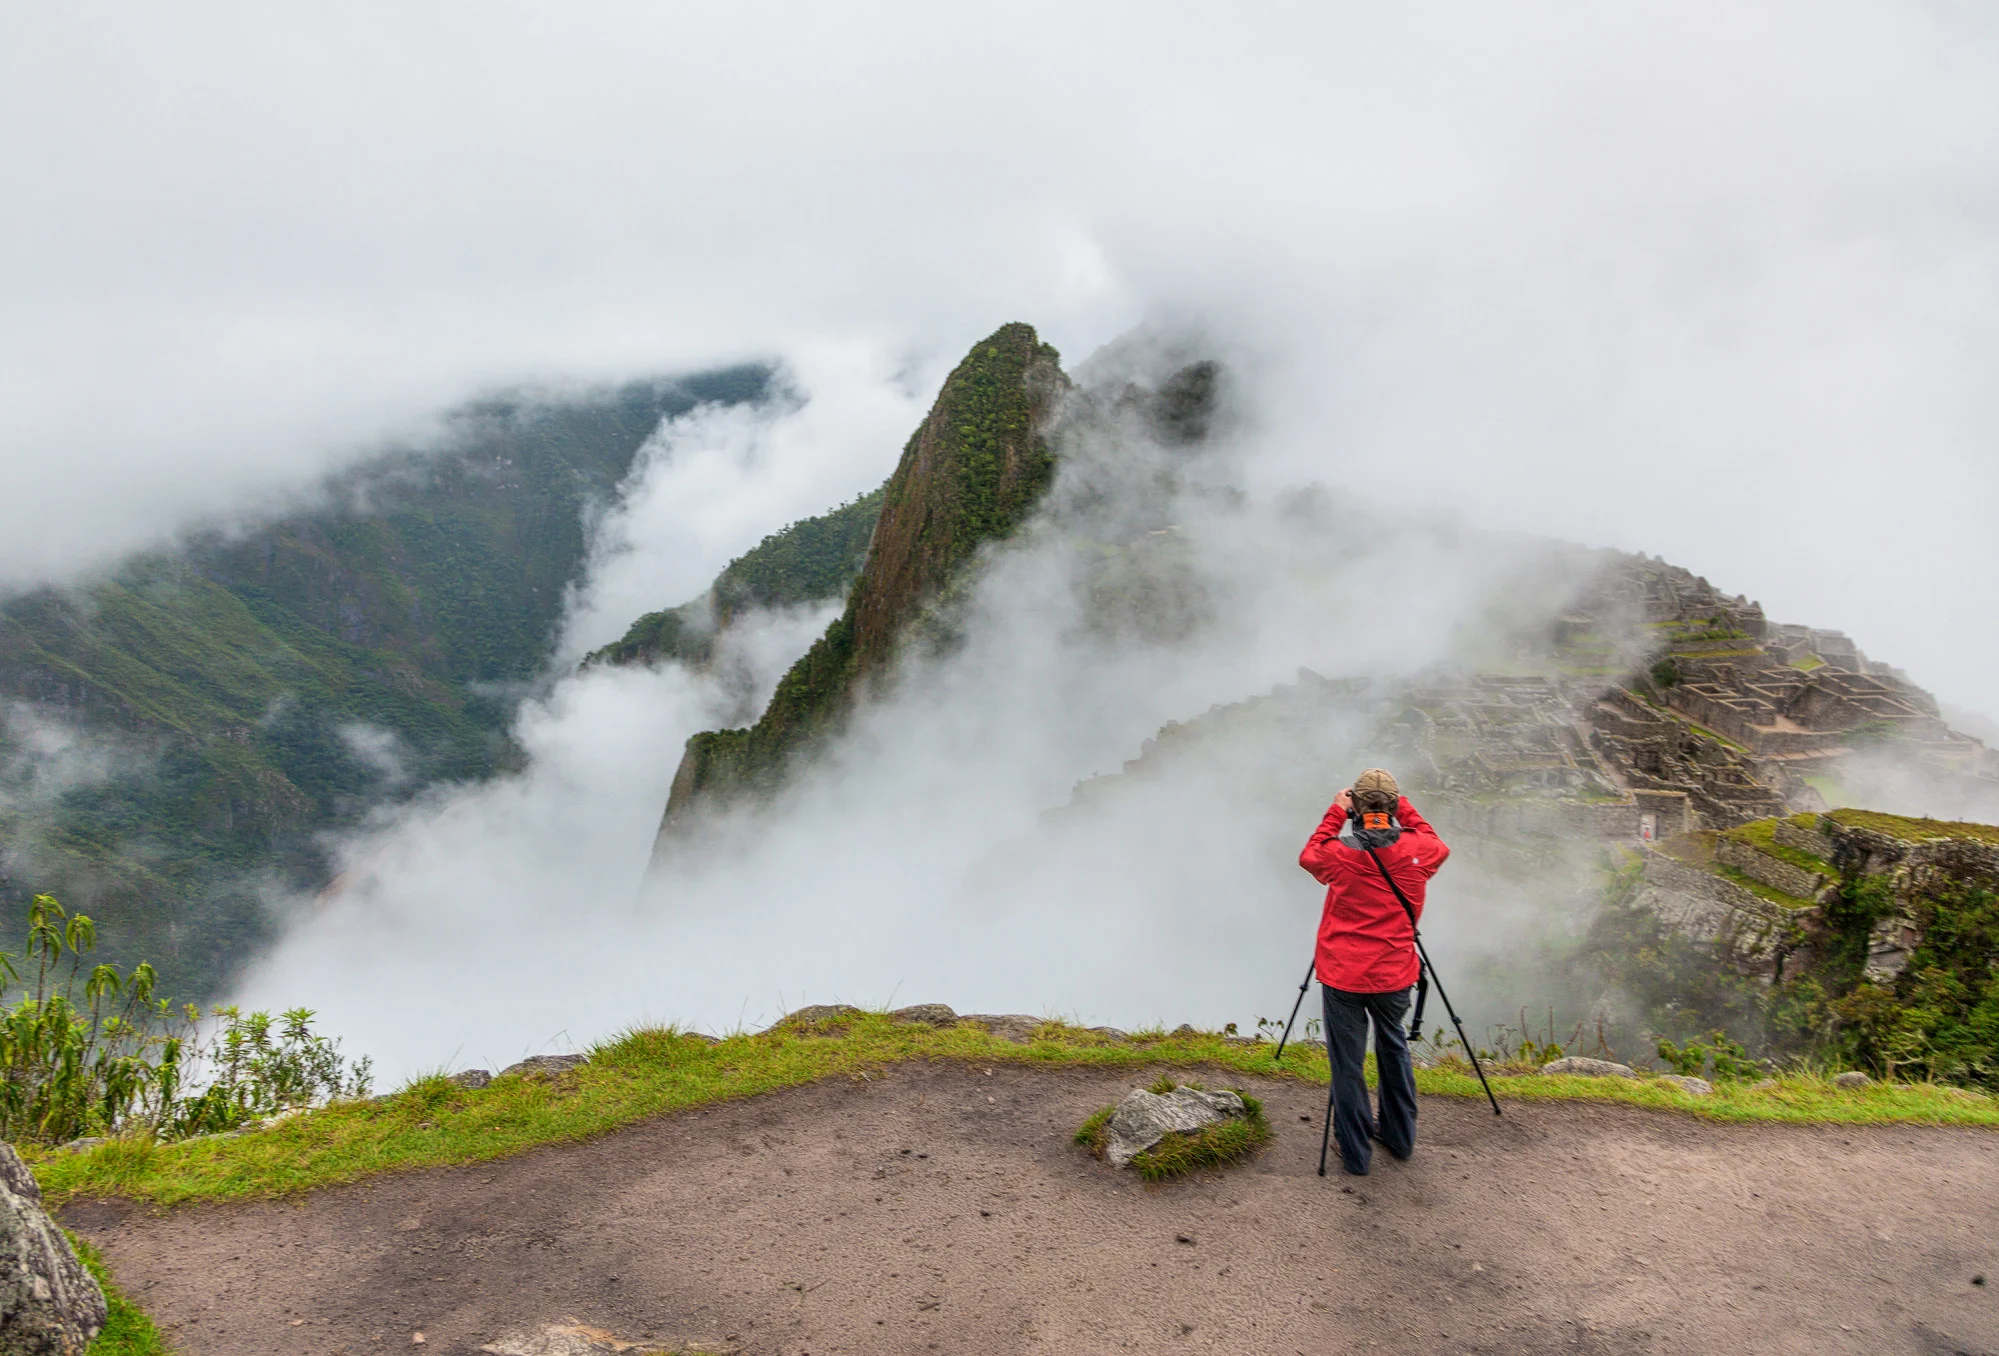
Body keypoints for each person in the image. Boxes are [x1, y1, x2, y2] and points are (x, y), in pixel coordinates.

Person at [1297, 767, 1450, 1176]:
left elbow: (1310, 855)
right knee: (1393, 1046)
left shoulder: (1339, 854)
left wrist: (1336, 811)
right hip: (1394, 973)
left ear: (1357, 810)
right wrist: (1403, 807)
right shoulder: (1420, 850)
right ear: (1393, 808)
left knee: (1347, 1063)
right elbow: (1439, 843)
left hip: (1343, 974)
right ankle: (1400, 1138)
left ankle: (1356, 1154)